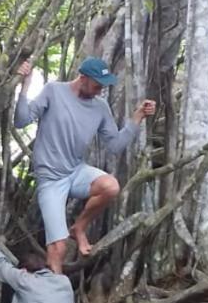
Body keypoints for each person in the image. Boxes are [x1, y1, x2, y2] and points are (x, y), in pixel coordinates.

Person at [14, 55, 155, 271]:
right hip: (50, 179)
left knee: (111, 186)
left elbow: (115, 145)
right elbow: (21, 121)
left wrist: (137, 118)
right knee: (58, 248)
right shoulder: (54, 91)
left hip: (75, 172)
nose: (101, 90)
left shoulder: (100, 107)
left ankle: (79, 227)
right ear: (83, 78)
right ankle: (57, 301)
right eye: (98, 85)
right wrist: (25, 85)